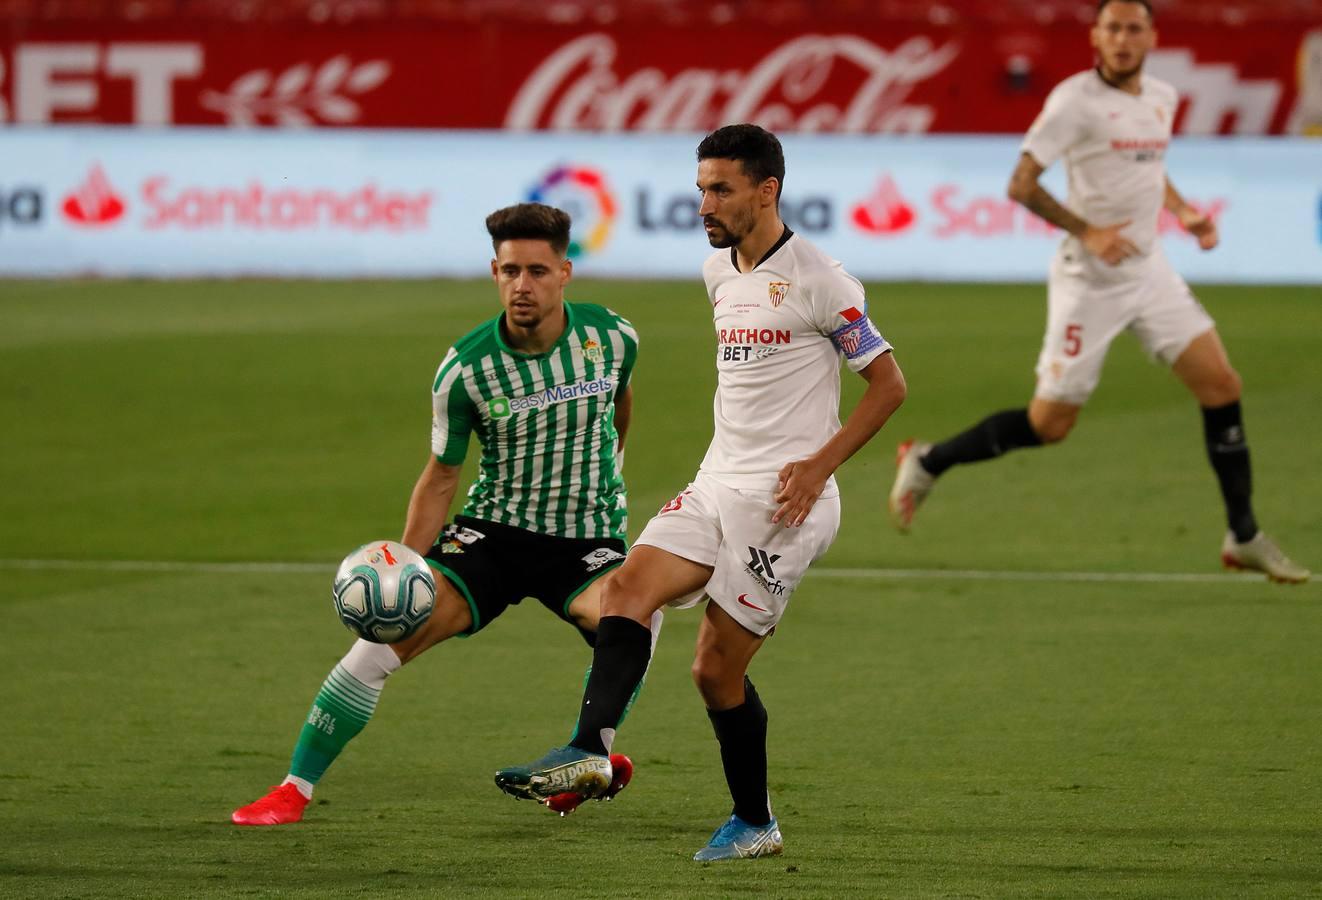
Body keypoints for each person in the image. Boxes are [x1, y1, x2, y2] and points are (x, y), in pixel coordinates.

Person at [494, 124, 908, 860]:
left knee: (715, 672)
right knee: (626, 591)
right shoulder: (718, 273)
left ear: (765, 190)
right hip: (716, 481)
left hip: (784, 505)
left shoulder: (820, 279)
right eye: (699, 190)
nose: (704, 204)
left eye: (719, 189)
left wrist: (817, 467)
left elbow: (888, 385)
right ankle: (589, 750)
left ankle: (756, 822)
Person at [231, 202, 660, 825]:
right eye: (510, 270)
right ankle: (293, 789)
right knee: (381, 641)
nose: (523, 285)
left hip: (584, 540)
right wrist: (404, 562)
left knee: (635, 610)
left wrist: (610, 469)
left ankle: (589, 757)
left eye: (537, 271)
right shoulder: (464, 370)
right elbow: (442, 476)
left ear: (565, 271)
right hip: (493, 533)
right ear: (494, 271)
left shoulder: (613, 338)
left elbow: (619, 406)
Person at [888, 0, 1309, 584]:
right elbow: (1020, 184)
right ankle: (929, 460)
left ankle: (1243, 535)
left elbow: (1148, 167)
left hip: (1149, 271)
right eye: (1112, 28)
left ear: (1151, 37)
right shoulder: (1073, 102)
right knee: (1050, 424)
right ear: (1096, 36)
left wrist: (1185, 210)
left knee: (1221, 385)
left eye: (1133, 28)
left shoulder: (1160, 97)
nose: (1122, 39)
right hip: (1089, 278)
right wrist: (1089, 230)